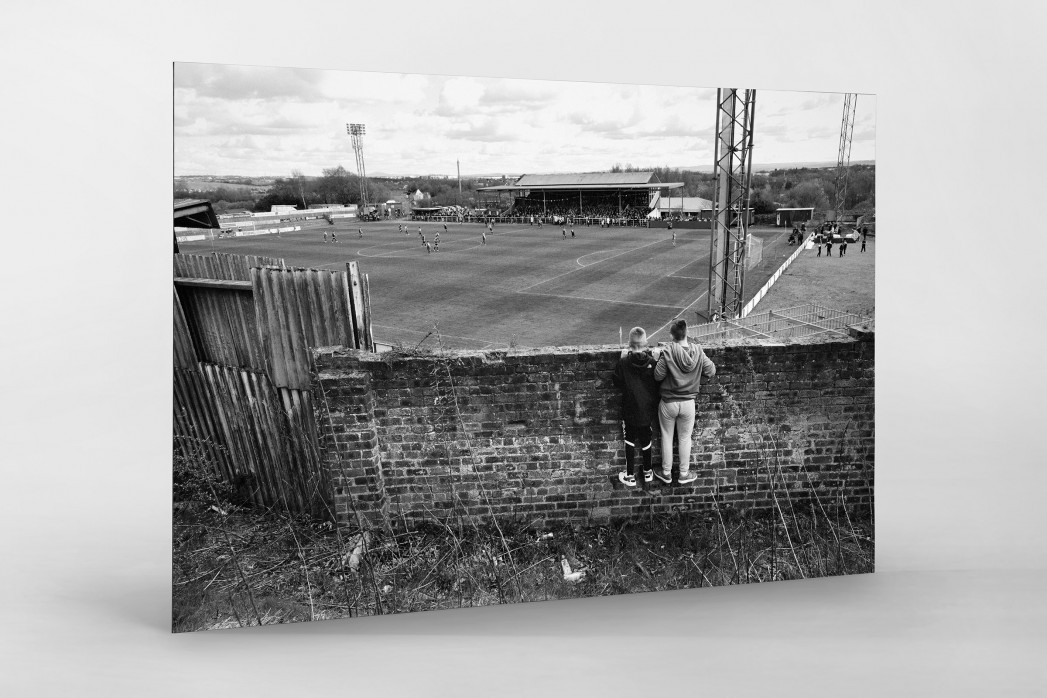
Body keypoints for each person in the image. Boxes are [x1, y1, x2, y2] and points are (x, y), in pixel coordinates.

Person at [653, 319, 716, 485]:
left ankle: (666, 472)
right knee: (685, 438)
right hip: (688, 402)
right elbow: (711, 371)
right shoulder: (698, 351)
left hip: (669, 402)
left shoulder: (667, 351)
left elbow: (657, 376)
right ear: (686, 332)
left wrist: (659, 357)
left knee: (667, 437)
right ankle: (683, 473)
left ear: (671, 335)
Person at [612, 327, 661, 487]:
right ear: (646, 344)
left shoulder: (624, 362)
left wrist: (622, 358)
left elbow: (617, 382)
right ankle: (648, 472)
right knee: (647, 439)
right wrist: (655, 360)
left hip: (630, 408)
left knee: (630, 440)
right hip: (647, 409)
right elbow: (657, 382)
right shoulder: (652, 363)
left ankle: (630, 476)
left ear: (629, 344)